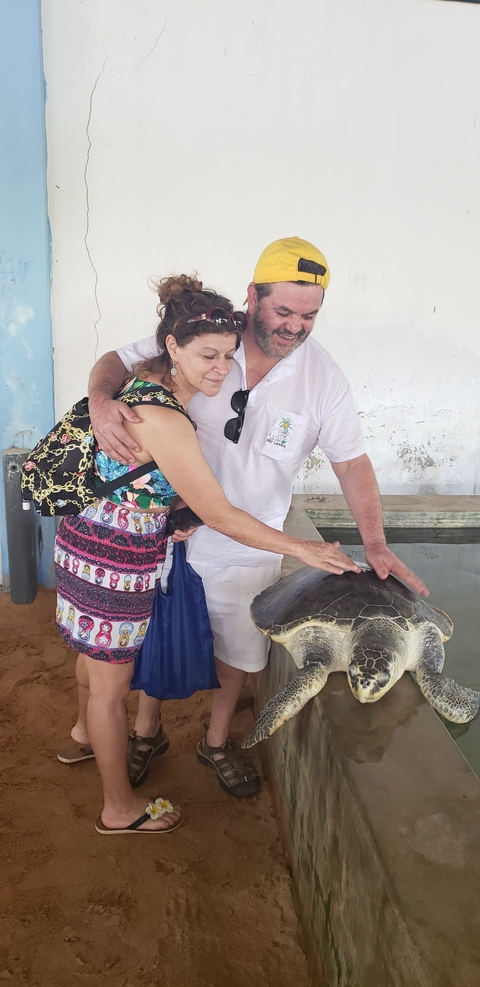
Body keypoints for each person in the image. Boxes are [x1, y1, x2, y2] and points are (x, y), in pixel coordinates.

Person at [72, 237, 429, 800]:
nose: (294, 327)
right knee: (154, 635)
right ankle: (146, 732)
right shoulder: (208, 333)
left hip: (253, 539)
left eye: (308, 316)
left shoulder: (322, 377)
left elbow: (352, 462)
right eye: (282, 311)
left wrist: (375, 542)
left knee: (241, 648)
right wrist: (98, 400)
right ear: (252, 297)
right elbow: (115, 361)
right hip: (175, 530)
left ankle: (216, 743)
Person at [55, 272, 363, 833]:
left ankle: (81, 736)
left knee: (92, 660)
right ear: (171, 347)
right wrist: (303, 549)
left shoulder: (151, 387)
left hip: (87, 543)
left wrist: (171, 513)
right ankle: (119, 809)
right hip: (116, 562)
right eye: (208, 356)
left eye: (228, 355)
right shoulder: (168, 418)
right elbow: (220, 512)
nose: (222, 368)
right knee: (111, 685)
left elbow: (141, 481)